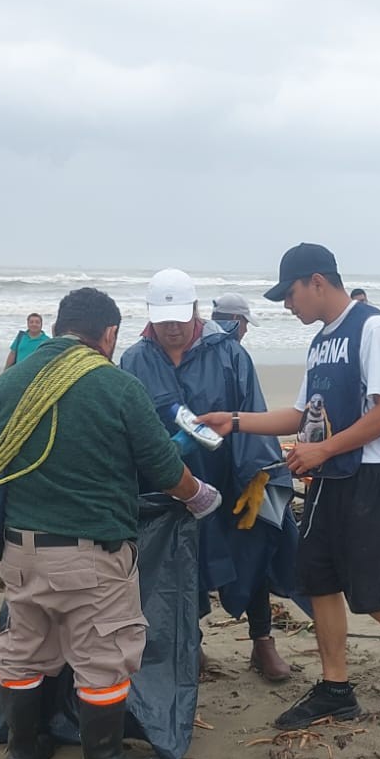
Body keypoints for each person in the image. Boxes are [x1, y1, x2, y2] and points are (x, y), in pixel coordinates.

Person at [198, 243, 380, 740]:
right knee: (319, 582)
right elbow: (298, 414)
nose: (288, 306)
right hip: (331, 482)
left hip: (372, 480)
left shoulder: (371, 329)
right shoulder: (320, 342)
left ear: (316, 281)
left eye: (289, 295)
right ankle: (336, 688)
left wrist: (324, 450)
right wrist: (236, 422)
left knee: (377, 596)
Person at [0, 287, 222, 759]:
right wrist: (199, 496)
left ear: (60, 324)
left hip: (21, 550)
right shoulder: (115, 385)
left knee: (24, 649)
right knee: (104, 658)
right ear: (108, 334)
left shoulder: (9, 384)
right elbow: (162, 468)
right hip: (90, 554)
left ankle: (23, 751)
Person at [121, 270, 297, 682]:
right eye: (164, 319)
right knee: (177, 564)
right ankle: (191, 644)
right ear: (150, 315)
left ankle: (262, 641)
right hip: (170, 483)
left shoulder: (229, 354)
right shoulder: (134, 360)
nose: (172, 328)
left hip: (231, 475)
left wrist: (259, 476)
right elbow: (128, 428)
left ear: (196, 310)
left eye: (180, 318)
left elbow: (251, 409)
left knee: (253, 549)